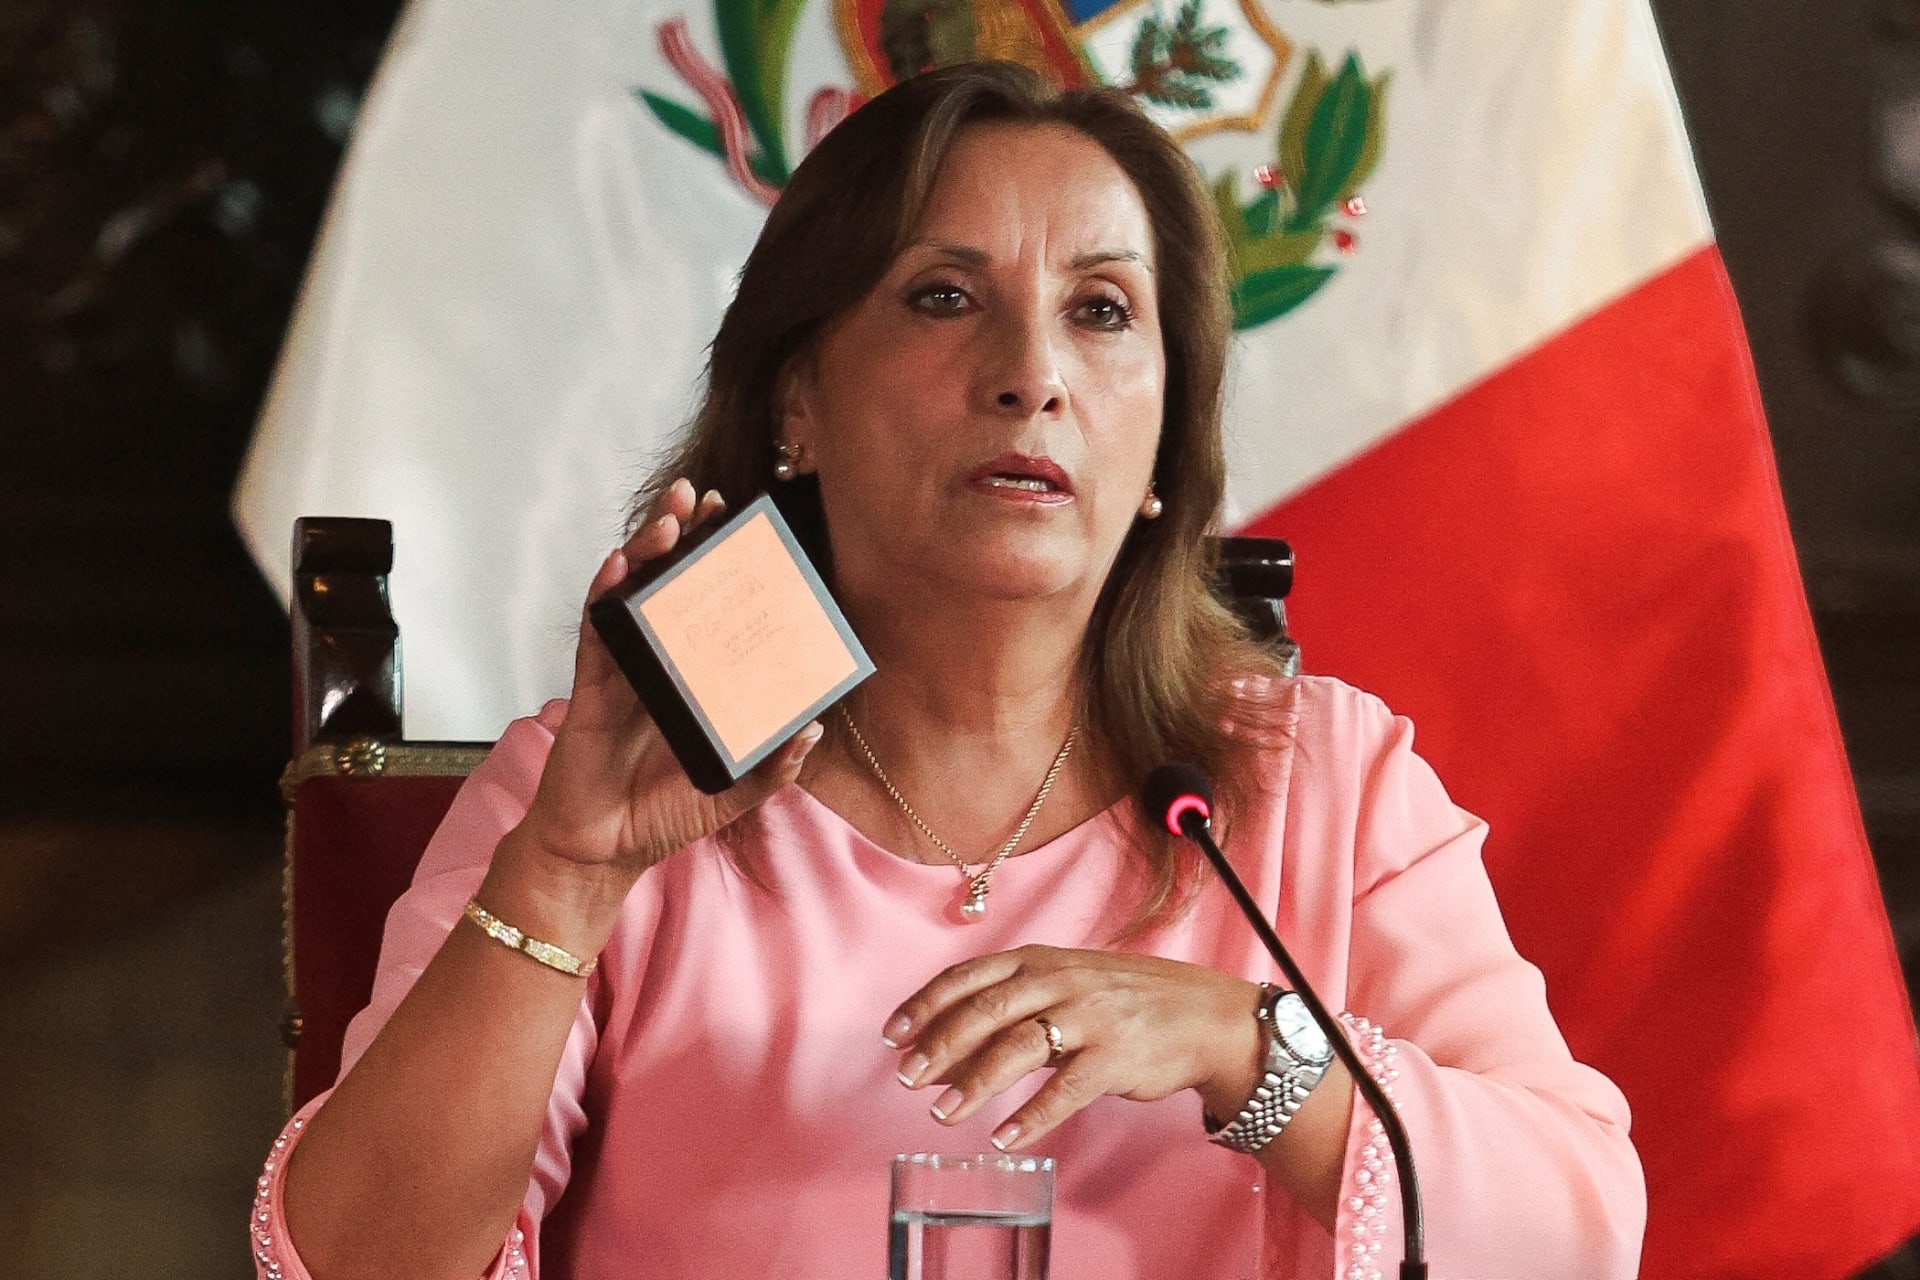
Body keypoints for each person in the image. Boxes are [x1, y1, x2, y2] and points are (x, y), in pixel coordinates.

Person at [250, 60, 1644, 1280]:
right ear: (797, 399)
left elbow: (1581, 1236)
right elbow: (354, 1266)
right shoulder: (606, 787)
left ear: (1165, 445)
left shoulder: (1326, 787)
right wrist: (564, 872)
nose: (1031, 371)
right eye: (942, 296)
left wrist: (1250, 1047)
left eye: (1103, 311)